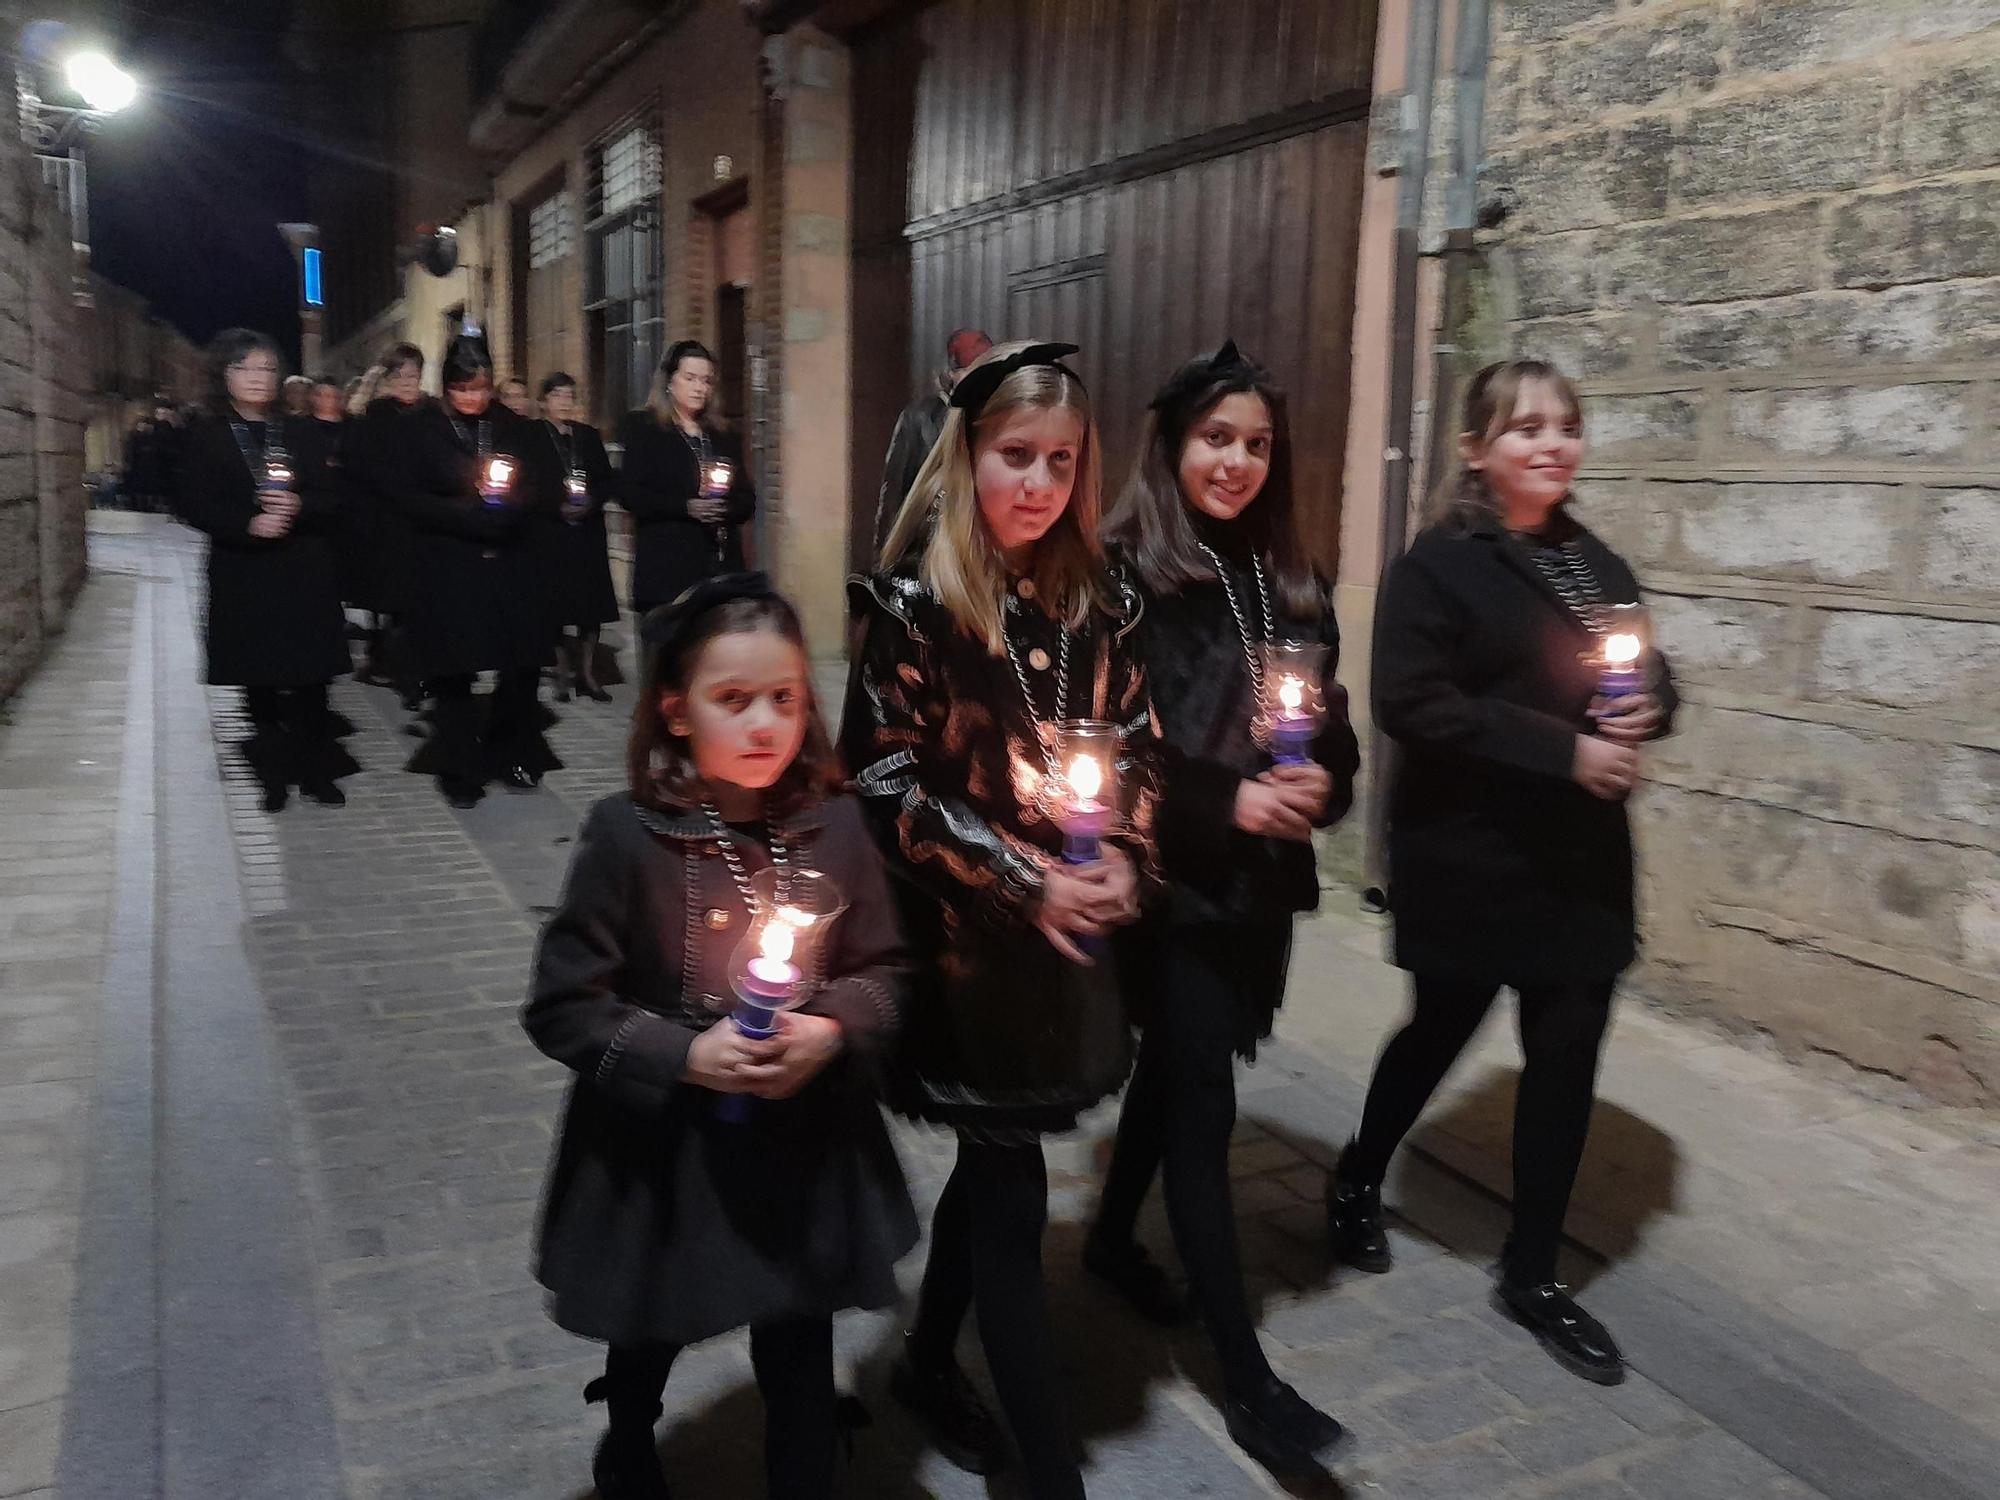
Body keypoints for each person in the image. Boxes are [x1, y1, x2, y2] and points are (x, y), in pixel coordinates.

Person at [524, 573, 917, 1500]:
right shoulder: (628, 837)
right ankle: (629, 1434)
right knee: (650, 1324)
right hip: (668, 1154)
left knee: (798, 1329)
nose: (763, 725)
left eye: (783, 699)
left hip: (803, 1147)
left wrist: (830, 1029)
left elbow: (888, 972)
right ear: (675, 710)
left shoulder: (838, 825)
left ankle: (804, 1470)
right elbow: (563, 1004)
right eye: (732, 701)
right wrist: (682, 1054)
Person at [1328, 359, 1678, 1387]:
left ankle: (1531, 1273)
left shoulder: (1594, 562)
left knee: (1565, 1057)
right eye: (1524, 427)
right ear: (1477, 450)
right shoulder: (1436, 565)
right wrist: (1563, 751)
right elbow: (1411, 703)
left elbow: (1646, 668)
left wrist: (1649, 705)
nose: (1549, 443)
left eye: (1564, 425)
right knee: (1439, 1027)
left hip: (1577, 866)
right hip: (1472, 856)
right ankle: (1354, 1176)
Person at [843, 340, 1154, 1499]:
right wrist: (1021, 881)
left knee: (999, 1159)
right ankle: (1045, 1471)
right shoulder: (915, 607)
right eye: (1013, 457)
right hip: (962, 954)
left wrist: (1124, 855)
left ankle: (926, 1360)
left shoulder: (1096, 601)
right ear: (965, 458)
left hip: (1064, 958)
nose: (1037, 484)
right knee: (1013, 1189)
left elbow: (1138, 748)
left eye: (1061, 463)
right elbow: (881, 782)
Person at [1089, 342, 1358, 1476]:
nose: (1236, 461)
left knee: (1184, 1069)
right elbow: (1105, 753)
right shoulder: (1118, 578)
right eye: (1215, 439)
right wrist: (1227, 801)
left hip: (1256, 888)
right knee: (1200, 1099)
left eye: (1255, 443)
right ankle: (1244, 1379)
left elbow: (1331, 725)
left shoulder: (1289, 579)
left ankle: (1106, 1240)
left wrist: (1320, 781)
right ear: (1171, 445)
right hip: (1168, 884)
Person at [175, 329, 356, 811]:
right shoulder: (207, 434)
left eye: (266, 369)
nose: (258, 379)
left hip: (302, 569)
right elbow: (194, 503)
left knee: (312, 678)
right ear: (225, 375)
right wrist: (247, 524)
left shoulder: (299, 431)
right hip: (246, 572)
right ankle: (273, 772)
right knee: (260, 681)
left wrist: (298, 503)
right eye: (246, 368)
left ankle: (315, 770)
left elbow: (332, 498)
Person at [388, 336, 558, 807]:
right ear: (446, 388)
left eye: (481, 389)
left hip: (509, 562)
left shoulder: (512, 426)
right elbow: (406, 496)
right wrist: (467, 514)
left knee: (521, 666)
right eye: (463, 390)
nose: (473, 399)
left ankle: (510, 750)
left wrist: (508, 511)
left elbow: (536, 484)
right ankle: (460, 766)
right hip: (449, 563)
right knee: (454, 672)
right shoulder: (420, 428)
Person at [617, 340, 757, 617]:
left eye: (706, 381)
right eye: (690, 378)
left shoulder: (723, 434)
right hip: (667, 567)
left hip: (719, 567)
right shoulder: (645, 428)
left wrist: (723, 508)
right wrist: (686, 507)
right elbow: (629, 494)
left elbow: (747, 499)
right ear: (670, 381)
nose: (699, 388)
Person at [519, 371, 618, 703]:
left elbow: (607, 480)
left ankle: (588, 673)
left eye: (569, 396)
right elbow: (526, 482)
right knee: (556, 605)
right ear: (544, 401)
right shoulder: (532, 435)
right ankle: (561, 671)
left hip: (587, 532)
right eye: (558, 395)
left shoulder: (587, 436)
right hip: (551, 530)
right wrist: (554, 506)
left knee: (591, 606)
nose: (564, 402)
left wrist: (591, 502)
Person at [346, 345, 427, 701]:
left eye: (414, 374)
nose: (409, 382)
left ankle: (400, 666)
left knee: (412, 605)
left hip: (422, 522)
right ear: (389, 379)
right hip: (389, 523)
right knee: (399, 604)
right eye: (401, 375)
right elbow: (370, 469)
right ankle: (404, 675)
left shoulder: (428, 412)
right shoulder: (377, 415)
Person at [871, 325, 993, 559]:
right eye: (971, 370)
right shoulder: (920, 417)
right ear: (951, 374)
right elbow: (894, 491)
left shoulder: (1000, 417)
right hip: (933, 548)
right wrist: (884, 559)